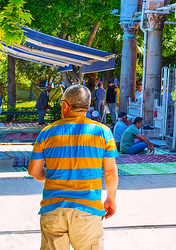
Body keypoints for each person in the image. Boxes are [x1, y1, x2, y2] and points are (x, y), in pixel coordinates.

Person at [28, 84, 118, 249]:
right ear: (88, 106)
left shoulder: (46, 132)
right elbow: (110, 173)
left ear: (65, 106)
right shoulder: (103, 132)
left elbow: (34, 171)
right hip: (88, 210)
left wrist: (54, 174)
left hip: (52, 209)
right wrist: (111, 199)